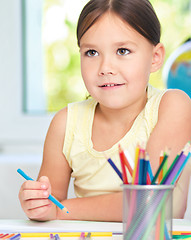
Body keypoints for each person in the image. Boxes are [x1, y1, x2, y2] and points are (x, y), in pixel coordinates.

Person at [18, 0, 191, 222]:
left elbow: (148, 202)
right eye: (91, 52)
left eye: (123, 50)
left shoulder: (174, 106)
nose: (105, 68)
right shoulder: (65, 123)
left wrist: (60, 210)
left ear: (155, 57)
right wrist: (37, 203)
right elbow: (50, 206)